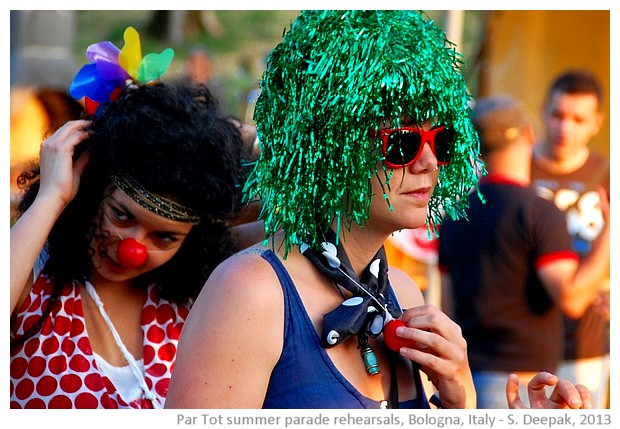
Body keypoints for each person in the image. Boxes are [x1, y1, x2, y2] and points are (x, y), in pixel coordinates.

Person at [164, 10, 591, 410]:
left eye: (441, 142)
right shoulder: (250, 294)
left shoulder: (402, 294)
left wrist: (461, 401)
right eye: (402, 143)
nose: (429, 162)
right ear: (330, 149)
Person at [10, 27, 251, 409]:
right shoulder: (30, 276)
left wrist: (226, 136)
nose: (132, 250)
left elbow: (308, 212)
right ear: (89, 188)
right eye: (121, 215)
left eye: (165, 238)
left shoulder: (195, 296)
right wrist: (51, 198)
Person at [437, 95, 610, 408]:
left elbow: (448, 311)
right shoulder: (539, 212)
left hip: (467, 380)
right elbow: (572, 299)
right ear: (529, 134)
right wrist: (612, 233)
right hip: (523, 389)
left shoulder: (455, 215)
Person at [531, 69, 610, 408]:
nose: (565, 129)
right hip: (522, 344)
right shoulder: (517, 170)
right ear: (544, 109)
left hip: (585, 347)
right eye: (558, 115)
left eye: (578, 119)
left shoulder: (608, 176)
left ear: (597, 123)